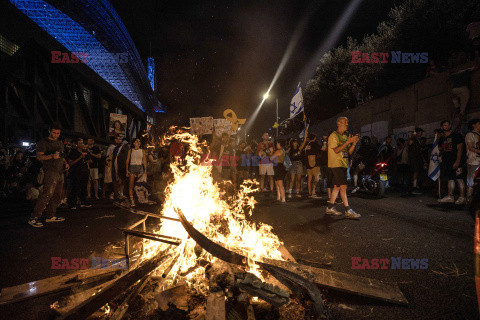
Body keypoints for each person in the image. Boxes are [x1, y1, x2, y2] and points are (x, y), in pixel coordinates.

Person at [28, 122, 69, 227]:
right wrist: (51, 156)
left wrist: (65, 163)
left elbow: (61, 155)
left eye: (58, 133)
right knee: (46, 195)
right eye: (54, 132)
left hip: (60, 172)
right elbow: (39, 157)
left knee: (56, 195)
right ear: (49, 131)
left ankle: (50, 216)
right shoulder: (43, 142)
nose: (55, 135)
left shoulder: (59, 143)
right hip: (50, 171)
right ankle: (34, 218)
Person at [325, 117, 360, 219]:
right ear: (338, 123)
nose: (347, 124)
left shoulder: (344, 136)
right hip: (336, 164)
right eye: (345, 122)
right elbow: (336, 150)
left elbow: (348, 152)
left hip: (343, 164)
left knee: (337, 187)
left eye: (347, 122)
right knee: (343, 187)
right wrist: (347, 142)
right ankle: (348, 209)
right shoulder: (333, 136)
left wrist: (353, 143)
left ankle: (330, 207)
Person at [438, 120, 466, 204]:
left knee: (459, 178)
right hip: (447, 162)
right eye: (444, 125)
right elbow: (440, 150)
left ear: (450, 126)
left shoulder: (456, 136)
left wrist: (457, 161)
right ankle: (450, 196)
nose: (446, 126)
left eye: (447, 125)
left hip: (457, 161)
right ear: (442, 127)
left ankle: (462, 197)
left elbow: (460, 149)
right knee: (450, 179)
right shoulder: (441, 139)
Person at [67, 138, 92, 209]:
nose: (82, 144)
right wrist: (80, 157)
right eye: (80, 143)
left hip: (84, 171)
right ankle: (72, 204)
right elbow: (70, 163)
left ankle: (83, 202)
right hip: (75, 171)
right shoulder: (73, 152)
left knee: (84, 187)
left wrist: (88, 164)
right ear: (77, 144)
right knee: (75, 187)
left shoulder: (85, 151)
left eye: (82, 143)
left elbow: (89, 161)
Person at [126, 138, 147, 206]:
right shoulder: (131, 151)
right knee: (131, 185)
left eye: (139, 141)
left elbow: (144, 161)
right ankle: (132, 200)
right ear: (134, 143)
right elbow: (127, 161)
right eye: (136, 141)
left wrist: (145, 171)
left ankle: (141, 199)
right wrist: (127, 170)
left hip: (140, 168)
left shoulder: (142, 151)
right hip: (132, 167)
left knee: (140, 184)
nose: (138, 142)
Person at [465, 119, 480, 204]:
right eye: (479, 124)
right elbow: (470, 147)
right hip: (473, 160)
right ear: (473, 125)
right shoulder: (470, 134)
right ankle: (469, 198)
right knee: (471, 179)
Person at [304, 133, 322, 198]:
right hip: (315, 163)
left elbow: (306, 153)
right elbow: (323, 148)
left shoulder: (307, 145)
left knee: (309, 178)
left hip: (308, 163)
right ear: (314, 138)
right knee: (316, 178)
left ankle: (309, 193)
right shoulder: (315, 144)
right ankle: (313, 192)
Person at [408, 127, 425, 194]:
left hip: (418, 159)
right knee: (415, 172)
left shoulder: (418, 140)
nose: (421, 134)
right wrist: (413, 135)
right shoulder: (413, 139)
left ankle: (416, 185)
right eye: (420, 132)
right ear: (417, 132)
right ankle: (414, 187)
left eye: (421, 132)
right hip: (414, 159)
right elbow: (409, 143)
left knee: (418, 172)